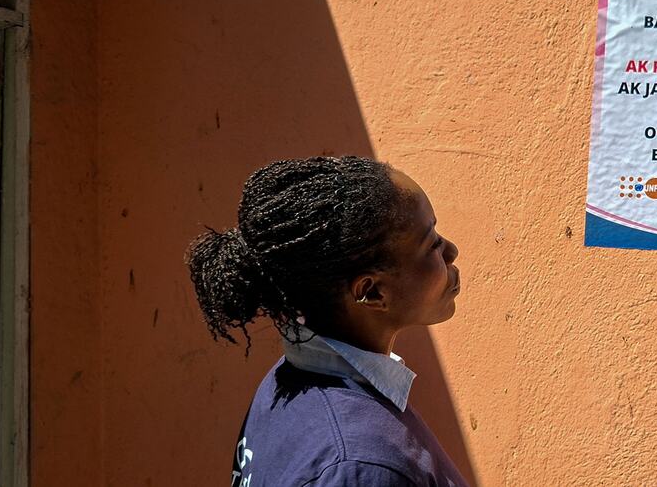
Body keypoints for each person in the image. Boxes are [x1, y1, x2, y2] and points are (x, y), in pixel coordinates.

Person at [185, 156, 468, 486]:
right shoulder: (358, 466)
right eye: (432, 242)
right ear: (372, 291)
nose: (451, 250)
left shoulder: (286, 380)